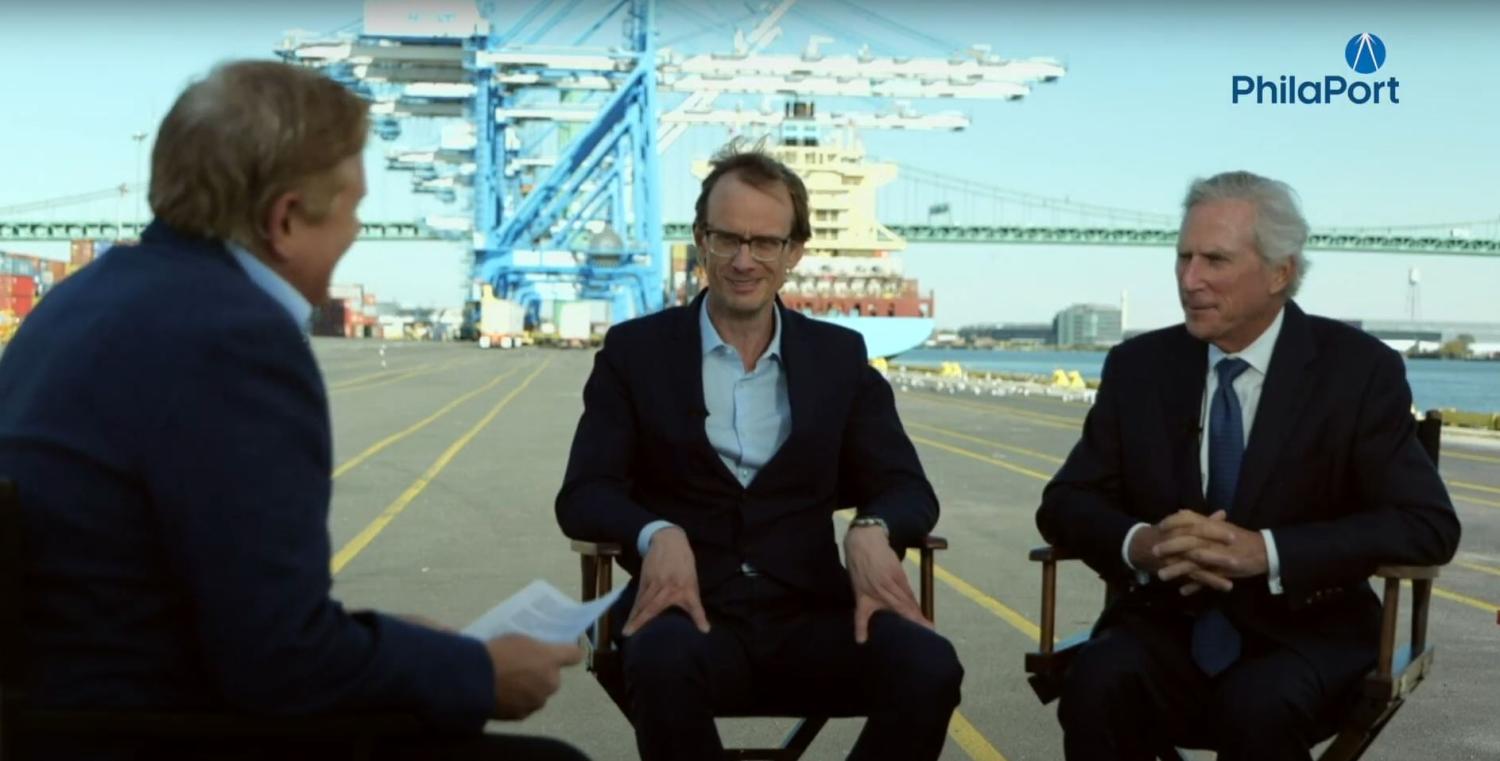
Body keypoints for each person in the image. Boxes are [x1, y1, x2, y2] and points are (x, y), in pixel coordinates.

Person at [0, 60, 587, 761]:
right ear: (284, 219)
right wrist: (477, 672)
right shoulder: (235, 339)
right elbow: (280, 663)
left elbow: (221, 600)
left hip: (56, 714)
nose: (354, 233)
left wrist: (390, 640)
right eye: (351, 208)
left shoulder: (77, 301)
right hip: (153, 726)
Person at [1036, 170, 1461, 761]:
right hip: (1166, 623)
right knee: (1097, 681)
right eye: (1183, 257)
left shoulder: (1357, 371)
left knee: (1257, 705)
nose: (1190, 280)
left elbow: (1427, 525)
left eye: (1214, 260)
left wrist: (1267, 551)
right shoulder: (1139, 368)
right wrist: (1143, 544)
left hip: (1309, 630)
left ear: (1280, 272)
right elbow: (1065, 502)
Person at [555, 146, 963, 761]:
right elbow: (584, 494)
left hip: (814, 612)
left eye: (765, 243)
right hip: (687, 612)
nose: (744, 261)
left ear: (794, 252)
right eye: (727, 239)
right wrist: (654, 532)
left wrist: (873, 529)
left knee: (931, 666)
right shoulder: (634, 353)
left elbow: (908, 488)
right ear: (700, 240)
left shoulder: (840, 358)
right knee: (660, 663)